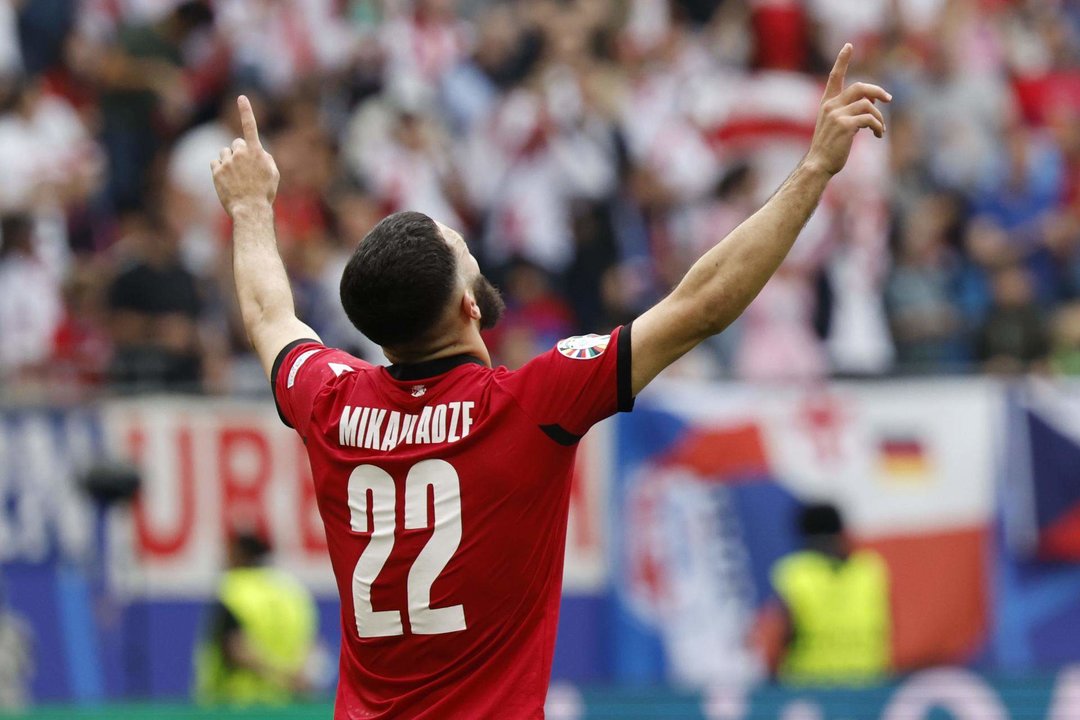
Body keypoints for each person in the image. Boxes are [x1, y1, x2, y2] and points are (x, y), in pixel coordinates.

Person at [209, 43, 888, 719]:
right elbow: (701, 305)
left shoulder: (331, 399)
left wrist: (249, 208)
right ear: (469, 305)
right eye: (464, 252)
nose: (473, 252)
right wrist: (815, 169)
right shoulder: (530, 403)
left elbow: (270, 314)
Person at [754, 503, 891, 685]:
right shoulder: (870, 570)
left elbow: (775, 633)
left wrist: (771, 683)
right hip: (867, 688)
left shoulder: (796, 573)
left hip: (810, 688)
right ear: (842, 532)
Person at [194, 532, 318, 706]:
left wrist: (278, 675)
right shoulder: (292, 592)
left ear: (239, 555)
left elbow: (236, 648)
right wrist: (293, 679)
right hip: (287, 705)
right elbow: (310, 646)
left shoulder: (233, 589)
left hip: (237, 705)